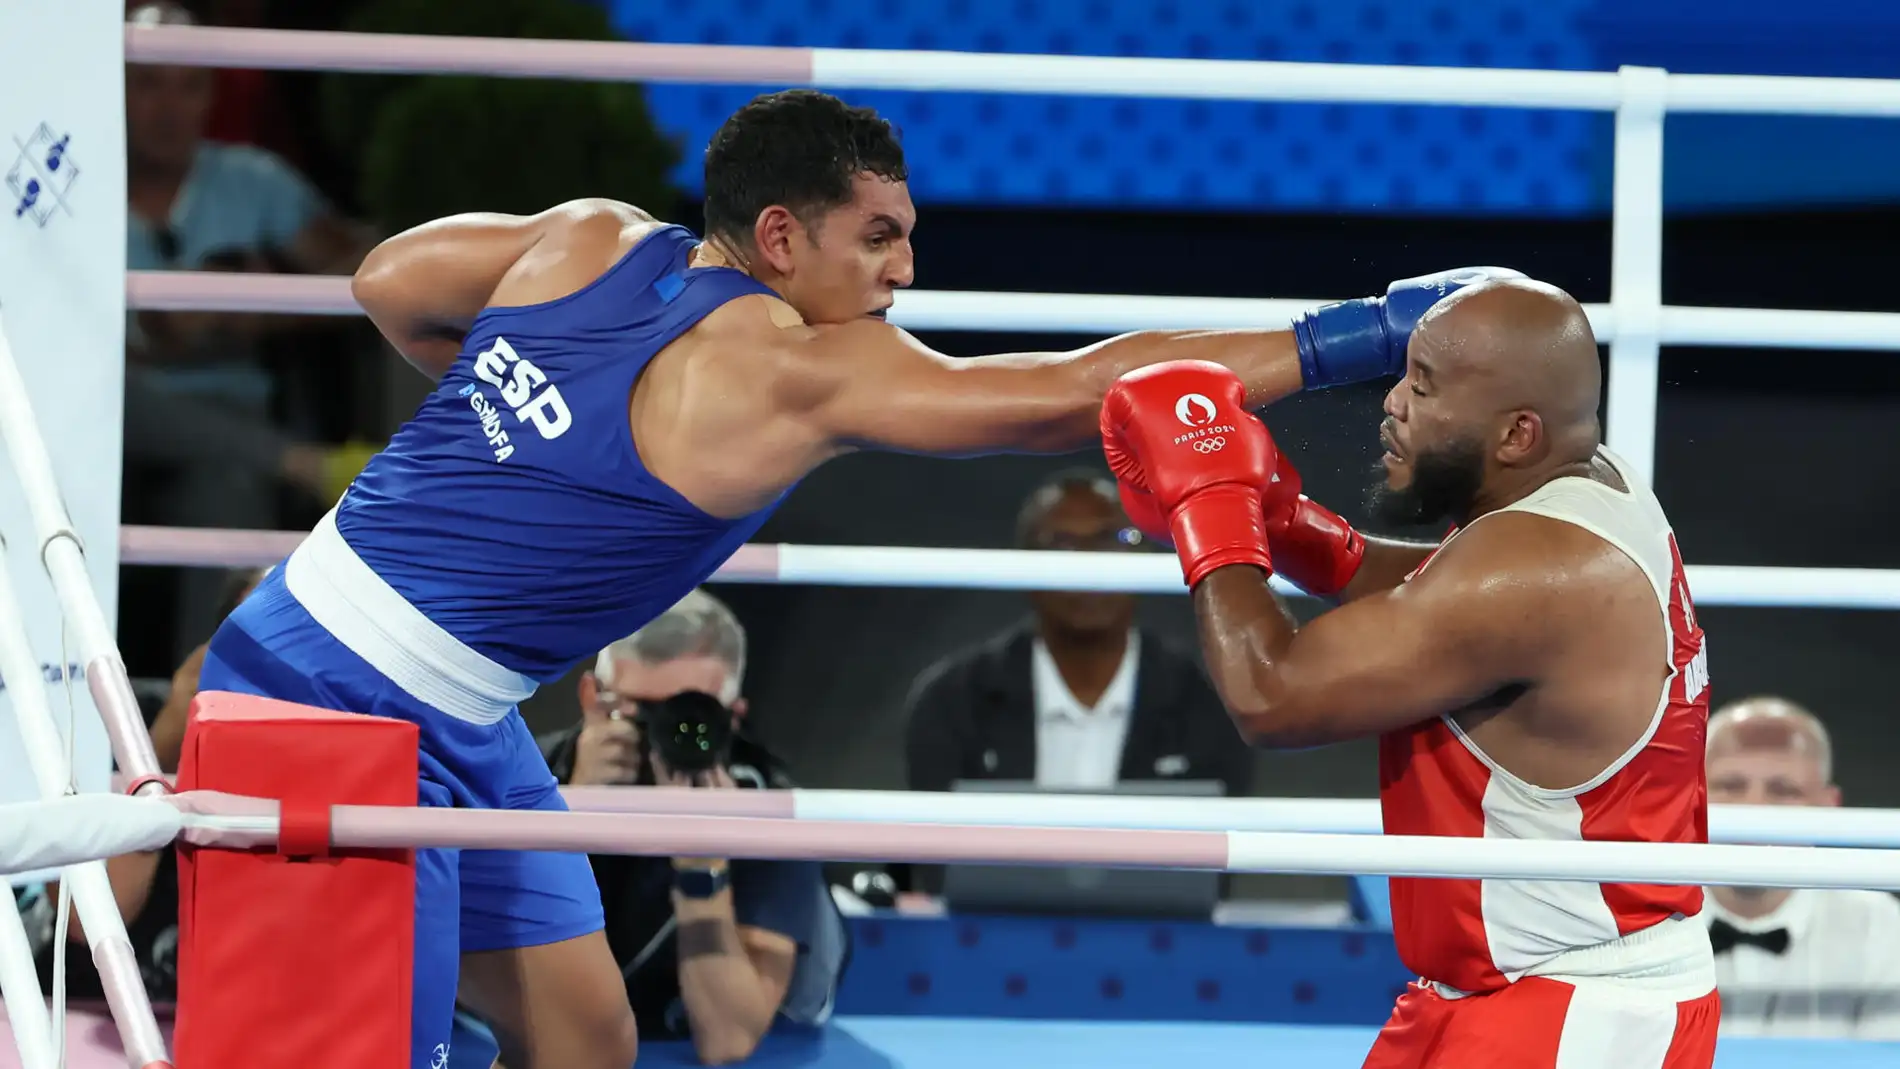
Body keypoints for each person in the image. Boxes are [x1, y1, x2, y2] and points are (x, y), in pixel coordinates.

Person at [195, 81, 1510, 1069]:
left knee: (587, 1036)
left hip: (411, 679)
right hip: (340, 707)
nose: (904, 271)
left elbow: (389, 280)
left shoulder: (590, 236)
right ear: (781, 234)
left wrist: (525, 431)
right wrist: (1358, 336)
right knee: (356, 1047)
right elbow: (1073, 394)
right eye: (878, 237)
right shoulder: (801, 371)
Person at [1097, 278, 1718, 1067]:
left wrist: (1210, 506)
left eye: (1423, 386)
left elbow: (1269, 694)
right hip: (1512, 988)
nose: (1391, 403)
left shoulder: (1536, 570)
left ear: (1517, 434)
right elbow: (1442, 595)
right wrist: (1284, 524)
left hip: (1577, 1015)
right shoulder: (1589, 482)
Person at [525, 590, 845, 1066]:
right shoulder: (530, 776)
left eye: (690, 716)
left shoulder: (766, 809)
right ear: (593, 697)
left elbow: (727, 1041)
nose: (667, 736)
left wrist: (703, 870)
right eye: (643, 712)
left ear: (732, 718)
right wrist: (565, 819)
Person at [904, 468, 1251, 797]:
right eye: (1060, 543)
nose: (1089, 565)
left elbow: (1218, 832)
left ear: (1144, 553)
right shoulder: (953, 701)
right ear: (1022, 562)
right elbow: (931, 838)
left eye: (1111, 539)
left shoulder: (1206, 706)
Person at [1701, 696, 1900, 1038]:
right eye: (1730, 786)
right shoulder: (1637, 919)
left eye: (1783, 790)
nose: (1753, 809)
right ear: (1693, 793)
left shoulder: (1881, 927)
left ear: (1828, 807)